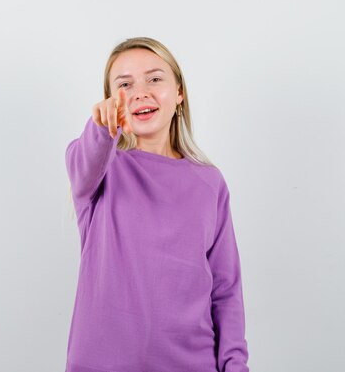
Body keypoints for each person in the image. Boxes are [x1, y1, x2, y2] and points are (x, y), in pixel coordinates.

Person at [64, 37, 250, 372]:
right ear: (111, 100)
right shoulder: (100, 169)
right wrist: (102, 128)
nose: (140, 92)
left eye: (154, 79)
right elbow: (83, 160)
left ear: (179, 92)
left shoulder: (210, 184)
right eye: (125, 84)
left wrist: (235, 365)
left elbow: (226, 290)